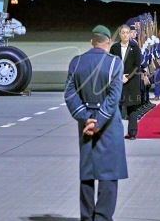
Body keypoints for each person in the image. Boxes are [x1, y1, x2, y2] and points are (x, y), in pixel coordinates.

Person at [64, 25, 128, 221]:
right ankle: (102, 217)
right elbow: (113, 97)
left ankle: (86, 216)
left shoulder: (76, 62)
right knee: (109, 172)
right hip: (108, 124)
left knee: (88, 172)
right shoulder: (114, 63)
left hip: (85, 124)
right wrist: (99, 121)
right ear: (108, 42)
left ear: (92, 41)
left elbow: (69, 94)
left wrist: (85, 117)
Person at [110, 24, 142, 140]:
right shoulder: (114, 48)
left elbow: (137, 65)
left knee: (132, 108)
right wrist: (118, 76)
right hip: (118, 82)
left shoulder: (135, 47)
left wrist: (128, 77)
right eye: (122, 32)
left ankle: (132, 132)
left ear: (130, 34)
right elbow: (111, 64)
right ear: (120, 34)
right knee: (117, 108)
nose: (125, 35)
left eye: (127, 32)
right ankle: (116, 132)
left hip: (131, 81)